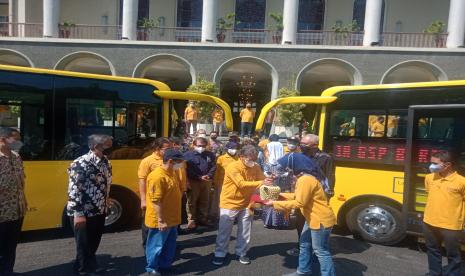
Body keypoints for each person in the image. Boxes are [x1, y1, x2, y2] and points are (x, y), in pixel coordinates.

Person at [265, 153, 336, 276]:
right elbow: (298, 196)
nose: (288, 170)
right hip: (313, 219)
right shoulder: (305, 177)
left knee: (321, 251)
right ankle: (303, 271)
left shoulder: (305, 180)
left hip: (320, 220)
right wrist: (279, 195)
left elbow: (299, 202)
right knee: (304, 244)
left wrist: (274, 204)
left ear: (295, 166)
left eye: (288, 167)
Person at [212, 145, 272, 266]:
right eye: (250, 159)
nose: (253, 162)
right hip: (229, 201)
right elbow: (241, 184)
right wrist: (262, 182)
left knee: (245, 230)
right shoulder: (232, 166)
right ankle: (220, 253)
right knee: (225, 230)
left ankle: (241, 253)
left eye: (255, 159)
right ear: (241, 157)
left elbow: (263, 180)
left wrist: (269, 180)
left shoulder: (255, 166)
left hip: (248, 201)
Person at [67, 134, 113, 275]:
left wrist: (106, 201)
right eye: (105, 144)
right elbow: (74, 190)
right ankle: (82, 270)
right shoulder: (80, 163)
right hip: (83, 211)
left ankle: (89, 266)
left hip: (99, 209)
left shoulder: (105, 162)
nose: (109, 146)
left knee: (93, 241)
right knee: (83, 244)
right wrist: (79, 214)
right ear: (95, 146)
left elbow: (106, 184)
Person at [287, 134, 336, 256]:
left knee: (314, 225)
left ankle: (316, 249)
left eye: (304, 144)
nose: (301, 146)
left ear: (314, 145)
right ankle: (301, 247)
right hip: (302, 195)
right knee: (300, 223)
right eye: (301, 143)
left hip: (316, 199)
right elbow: (294, 173)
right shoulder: (300, 156)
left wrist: (327, 196)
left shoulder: (325, 158)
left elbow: (330, 178)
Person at [422, 151, 465, 276]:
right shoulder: (429, 177)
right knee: (432, 250)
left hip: (451, 225)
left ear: (447, 165)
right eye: (431, 162)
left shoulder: (461, 181)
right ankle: (434, 273)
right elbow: (429, 192)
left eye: (435, 163)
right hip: (429, 221)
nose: (431, 165)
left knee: (453, 254)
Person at [144, 149, 185, 276]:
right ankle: (152, 269)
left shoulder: (171, 172)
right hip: (161, 220)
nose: (181, 164)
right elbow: (156, 201)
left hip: (172, 218)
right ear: (171, 161)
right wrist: (160, 221)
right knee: (156, 246)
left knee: (169, 245)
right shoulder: (157, 176)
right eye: (180, 162)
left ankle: (165, 266)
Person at [0, 127, 27, 276]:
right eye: (15, 139)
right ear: (3, 139)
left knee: (10, 247)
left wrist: (24, 200)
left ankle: (8, 271)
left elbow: (21, 181)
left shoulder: (16, 157)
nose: (18, 142)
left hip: (17, 210)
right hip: (2, 212)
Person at [137, 138, 172, 250]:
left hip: (166, 200)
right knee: (149, 224)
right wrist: (143, 200)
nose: (170, 151)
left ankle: (162, 246)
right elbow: (142, 180)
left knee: (164, 223)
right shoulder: (147, 161)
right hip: (152, 199)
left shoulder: (169, 159)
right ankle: (147, 247)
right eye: (167, 149)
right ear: (157, 149)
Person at [183, 137, 216, 229]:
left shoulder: (210, 155)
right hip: (193, 181)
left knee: (205, 201)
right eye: (199, 146)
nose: (201, 147)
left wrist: (208, 175)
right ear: (194, 145)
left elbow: (213, 166)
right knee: (191, 201)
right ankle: (191, 220)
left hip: (206, 181)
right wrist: (198, 177)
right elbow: (186, 169)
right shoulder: (187, 155)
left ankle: (203, 219)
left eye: (203, 146)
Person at [210, 142, 240, 221]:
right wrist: (215, 182)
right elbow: (217, 171)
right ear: (227, 149)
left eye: (235, 148)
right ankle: (218, 215)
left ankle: (233, 215)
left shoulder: (239, 158)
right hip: (222, 183)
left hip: (235, 183)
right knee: (219, 199)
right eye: (232, 148)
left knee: (233, 199)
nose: (234, 150)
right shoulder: (221, 158)